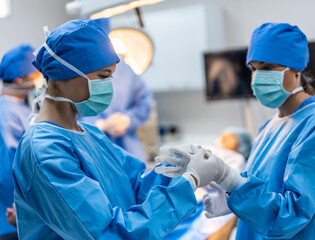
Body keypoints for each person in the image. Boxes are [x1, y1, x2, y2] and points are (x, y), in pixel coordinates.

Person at [155, 23, 315, 240]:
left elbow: (291, 213)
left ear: (297, 69)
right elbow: (263, 187)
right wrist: (230, 198)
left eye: (269, 68)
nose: (258, 76)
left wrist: (227, 176)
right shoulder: (270, 127)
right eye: (253, 69)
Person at [12, 19, 200, 239]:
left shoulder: (91, 135)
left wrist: (177, 170)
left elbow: (136, 188)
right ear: (65, 73)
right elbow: (106, 232)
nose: (109, 85)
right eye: (103, 76)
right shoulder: (44, 151)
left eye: (111, 76)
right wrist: (189, 184)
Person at [79, 18, 153, 162]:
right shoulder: (75, 71)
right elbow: (65, 113)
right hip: (93, 150)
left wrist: (128, 119)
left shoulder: (124, 69)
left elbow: (145, 103)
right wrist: (96, 125)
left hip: (129, 149)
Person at [0, 44, 39, 240]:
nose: (39, 80)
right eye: (34, 75)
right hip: (10, 217)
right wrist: (27, 207)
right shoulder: (6, 115)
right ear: (19, 79)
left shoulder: (19, 108)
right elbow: (8, 171)